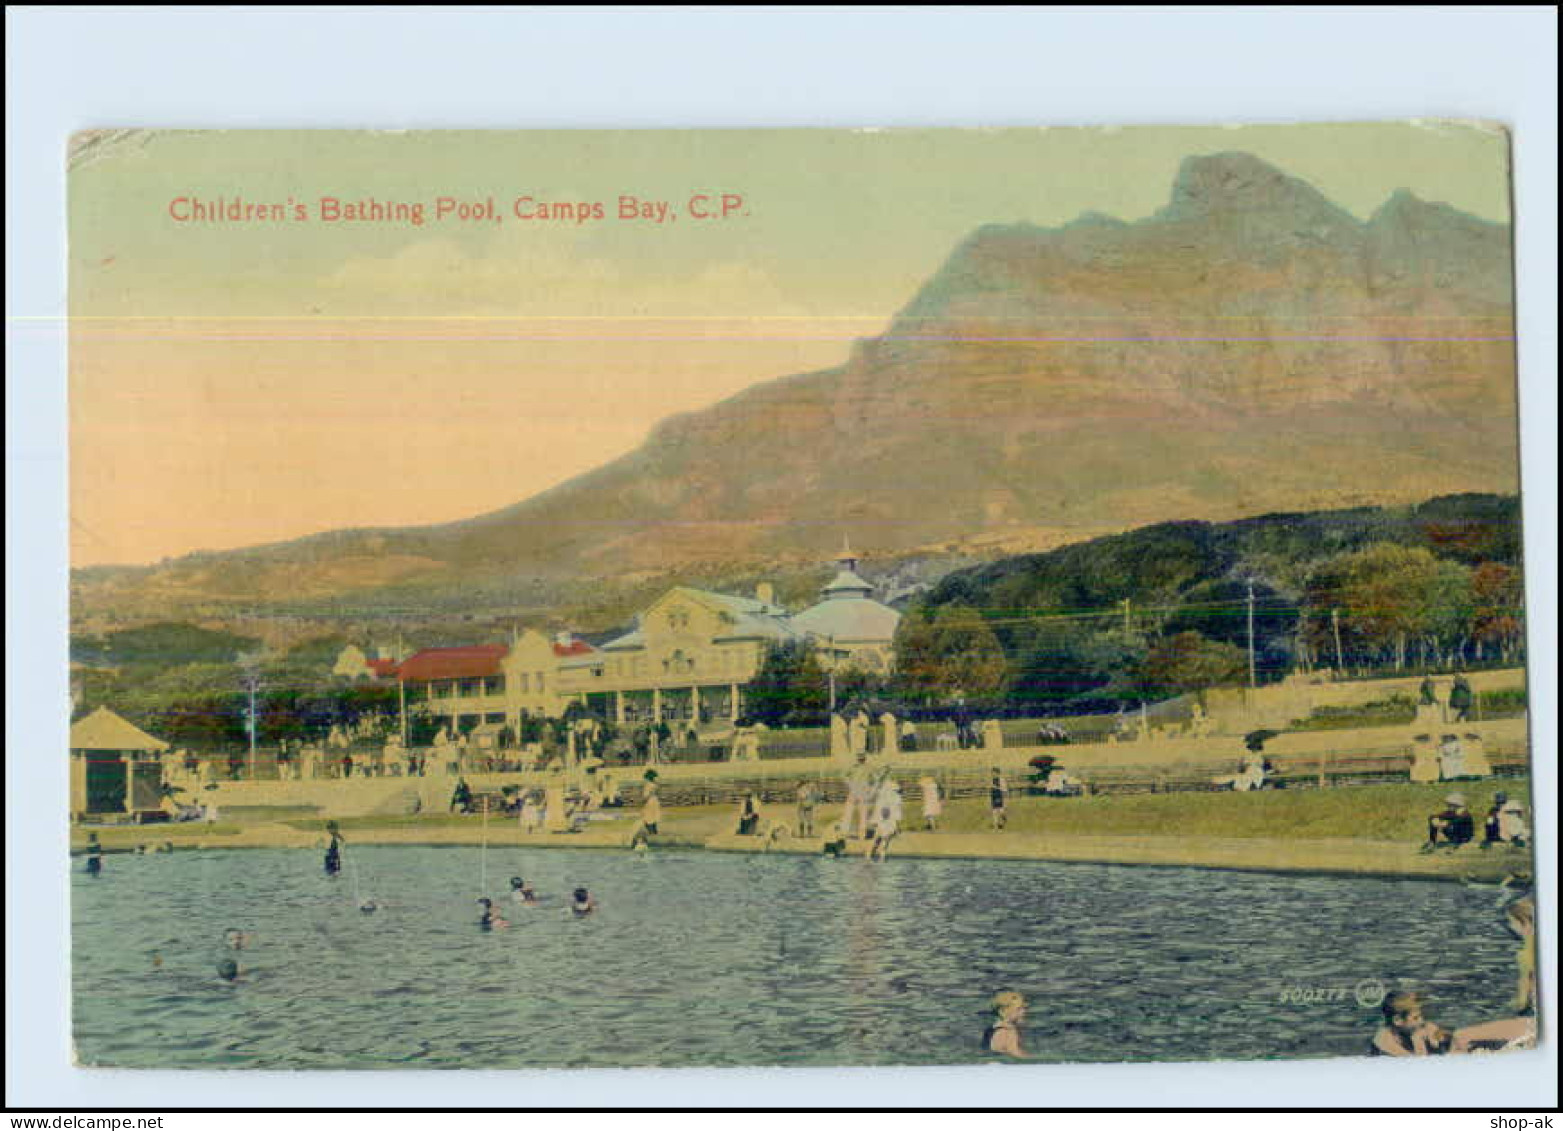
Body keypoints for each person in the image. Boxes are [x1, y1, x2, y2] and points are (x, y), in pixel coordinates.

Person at [1370, 991, 1451, 1056]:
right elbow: (1417, 1069)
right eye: (1416, 1018)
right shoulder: (1384, 1039)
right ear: (1398, 1020)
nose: (1422, 1021)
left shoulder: (1416, 1029)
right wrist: (1418, 1040)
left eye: (1421, 1016)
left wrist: (1438, 1041)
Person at [983, 991, 1030, 1058]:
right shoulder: (1008, 1032)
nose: (1024, 1012)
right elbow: (1017, 1055)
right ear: (1003, 1011)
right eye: (1018, 1009)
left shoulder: (991, 1029)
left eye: (1024, 1008)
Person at [869, 778, 903, 862]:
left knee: (880, 838)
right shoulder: (895, 798)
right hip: (887, 821)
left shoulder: (884, 796)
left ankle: (875, 856)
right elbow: (896, 812)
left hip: (885, 820)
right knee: (883, 839)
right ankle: (878, 856)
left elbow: (880, 809)